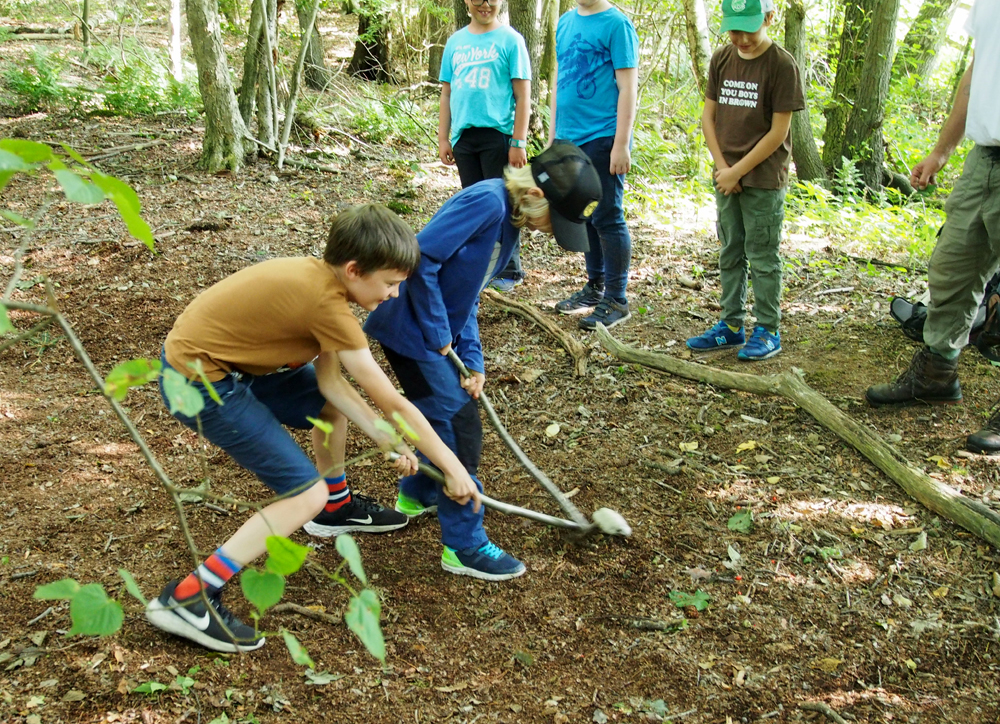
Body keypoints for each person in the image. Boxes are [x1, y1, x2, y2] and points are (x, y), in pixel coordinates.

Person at [145, 205, 482, 652]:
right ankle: (190, 596)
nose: (395, 295)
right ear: (354, 270)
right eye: (390, 283)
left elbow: (331, 385)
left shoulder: (327, 286)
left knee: (325, 409)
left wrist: (382, 435)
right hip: (199, 382)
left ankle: (334, 507)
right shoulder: (326, 304)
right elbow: (392, 399)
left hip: (232, 369)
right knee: (304, 494)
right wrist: (451, 466)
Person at [359, 142, 602, 581]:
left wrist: (472, 359)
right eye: (557, 220)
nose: (553, 231)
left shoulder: (510, 223)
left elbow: (467, 294)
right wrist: (437, 333)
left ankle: (418, 493)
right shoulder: (486, 202)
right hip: (412, 334)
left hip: (434, 339)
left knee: (444, 417)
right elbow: (421, 257)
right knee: (459, 430)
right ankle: (464, 545)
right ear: (536, 195)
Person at [866, 0, 1000, 454]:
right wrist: (942, 151)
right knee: (953, 265)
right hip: (984, 157)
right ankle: (938, 372)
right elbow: (976, 74)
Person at [685, 0, 803, 361]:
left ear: (769, 18)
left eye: (748, 29)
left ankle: (768, 329)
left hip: (763, 179)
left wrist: (738, 171)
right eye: (734, 30)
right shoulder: (722, 58)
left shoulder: (782, 65)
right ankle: (731, 326)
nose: (740, 38)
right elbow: (709, 118)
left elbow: (777, 132)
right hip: (726, 176)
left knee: (763, 255)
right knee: (730, 250)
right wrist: (723, 168)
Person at [548, 0, 638, 331]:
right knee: (584, 213)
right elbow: (559, 81)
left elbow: (628, 87)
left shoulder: (617, 25)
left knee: (607, 216)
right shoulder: (565, 22)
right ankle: (596, 286)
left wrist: (621, 143)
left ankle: (616, 299)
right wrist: (554, 135)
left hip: (603, 135)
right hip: (569, 137)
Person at [438, 0, 531, 292]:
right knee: (477, 204)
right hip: (465, 137)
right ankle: (482, 264)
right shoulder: (455, 42)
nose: (485, 4)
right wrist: (444, 137)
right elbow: (446, 93)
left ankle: (509, 268)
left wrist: (518, 141)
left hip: (498, 134)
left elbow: (523, 95)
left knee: (503, 203)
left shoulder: (511, 41)